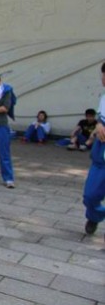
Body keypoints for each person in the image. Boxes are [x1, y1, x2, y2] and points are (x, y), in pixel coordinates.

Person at [83, 62, 105, 238]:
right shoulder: (104, 96)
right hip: (101, 156)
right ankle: (95, 215)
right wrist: (98, 125)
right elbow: (101, 118)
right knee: (90, 196)